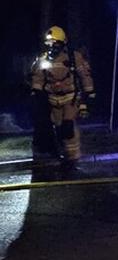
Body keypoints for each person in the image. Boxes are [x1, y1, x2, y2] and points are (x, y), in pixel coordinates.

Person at [30, 26, 95, 166]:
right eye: (48, 44)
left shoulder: (73, 57)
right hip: (53, 99)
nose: (51, 47)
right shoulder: (44, 59)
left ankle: (73, 158)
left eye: (54, 43)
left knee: (68, 126)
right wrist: (36, 93)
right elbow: (38, 77)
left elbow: (85, 75)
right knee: (59, 128)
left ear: (61, 43)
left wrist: (89, 93)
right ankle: (65, 154)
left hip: (70, 98)